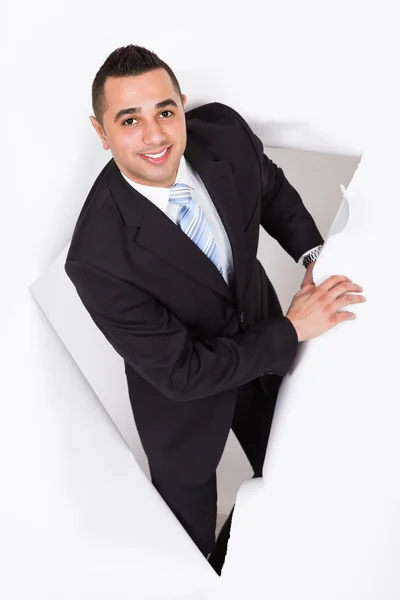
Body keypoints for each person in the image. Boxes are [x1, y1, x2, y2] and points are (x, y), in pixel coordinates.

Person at [64, 44, 366, 574]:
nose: (155, 136)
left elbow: (269, 190)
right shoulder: (96, 257)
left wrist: (315, 256)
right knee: (191, 554)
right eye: (129, 120)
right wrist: (294, 329)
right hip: (184, 412)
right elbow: (182, 373)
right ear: (101, 131)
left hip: (267, 363)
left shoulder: (222, 132)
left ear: (182, 104)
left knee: (303, 479)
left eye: (165, 111)